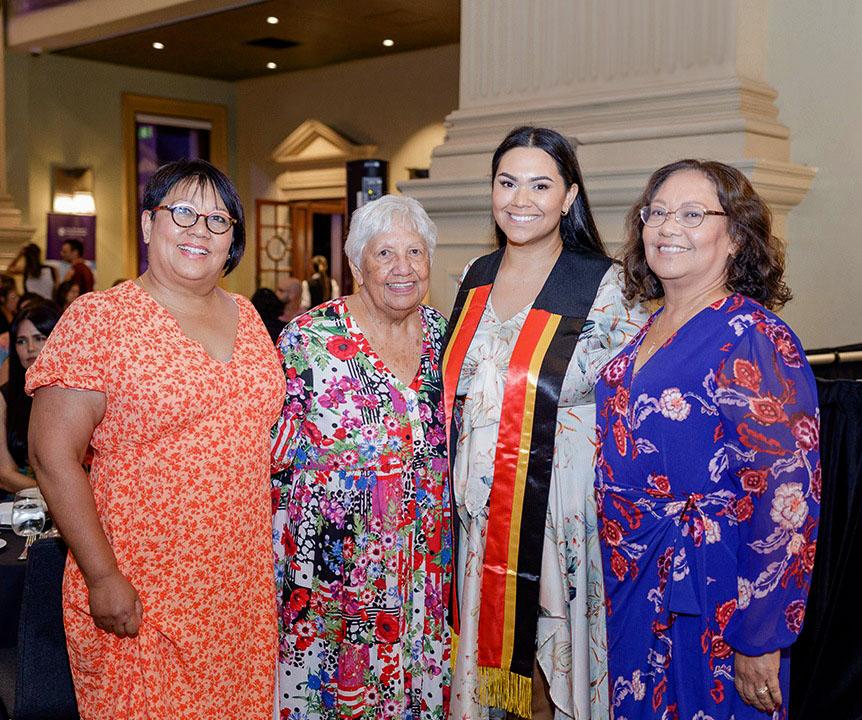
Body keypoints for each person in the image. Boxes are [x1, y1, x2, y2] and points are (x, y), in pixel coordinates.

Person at [26, 158, 285, 719]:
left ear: (233, 242)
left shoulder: (247, 316)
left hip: (238, 590)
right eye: (183, 212)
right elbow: (52, 458)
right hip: (142, 589)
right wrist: (102, 576)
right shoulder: (101, 320)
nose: (200, 230)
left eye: (219, 221)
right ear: (148, 224)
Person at [594, 159, 820, 720]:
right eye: (658, 213)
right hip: (634, 582)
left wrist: (761, 635)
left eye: (693, 214)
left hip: (715, 591)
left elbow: (787, 495)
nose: (669, 227)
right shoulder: (646, 328)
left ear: (736, 238)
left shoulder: (754, 337)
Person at [444, 126, 646, 720]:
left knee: (554, 672)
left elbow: (630, 404)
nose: (520, 199)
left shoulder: (606, 285)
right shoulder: (474, 277)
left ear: (569, 197)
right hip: (480, 515)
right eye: (507, 183)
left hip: (562, 509)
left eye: (540, 184)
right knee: (491, 674)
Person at [271, 194, 451, 719]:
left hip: (422, 566)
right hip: (333, 571)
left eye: (415, 253)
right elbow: (269, 462)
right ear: (355, 265)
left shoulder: (449, 337)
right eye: (385, 254)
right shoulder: (309, 340)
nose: (403, 268)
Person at [0, 302, 61, 495]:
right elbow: (5, 474)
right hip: (23, 504)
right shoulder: (5, 396)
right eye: (21, 341)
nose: (31, 348)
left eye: (39, 338)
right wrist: (57, 495)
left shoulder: (80, 393)